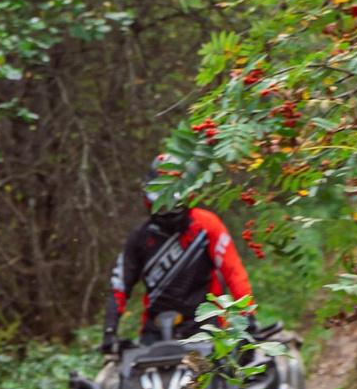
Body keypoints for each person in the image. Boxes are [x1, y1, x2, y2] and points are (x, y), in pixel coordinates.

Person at [102, 150, 251, 354]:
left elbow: (233, 272)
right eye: (162, 206)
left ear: (188, 196)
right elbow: (119, 286)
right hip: (155, 331)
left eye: (174, 205)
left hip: (206, 325)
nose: (169, 213)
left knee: (223, 377)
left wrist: (246, 316)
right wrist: (110, 331)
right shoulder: (139, 238)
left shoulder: (206, 225)